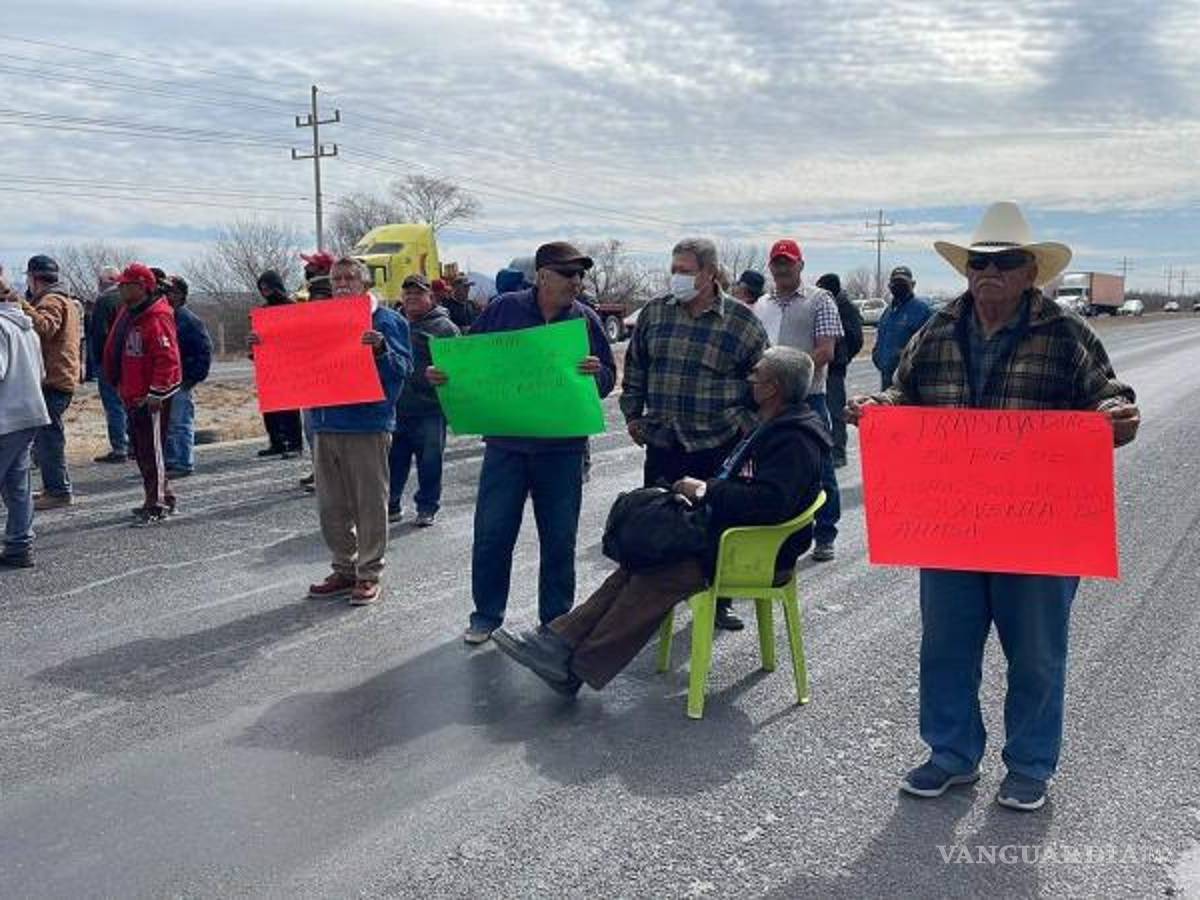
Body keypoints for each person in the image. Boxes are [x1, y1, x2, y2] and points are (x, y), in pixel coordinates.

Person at [845, 201, 1140, 812]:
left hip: (1039, 529)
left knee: (1035, 650)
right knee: (946, 645)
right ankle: (951, 755)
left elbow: (1108, 398)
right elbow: (906, 389)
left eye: (1004, 263)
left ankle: (1030, 765)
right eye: (980, 263)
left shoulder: (1065, 332)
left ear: (1030, 271)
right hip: (952, 524)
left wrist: (1116, 416)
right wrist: (882, 409)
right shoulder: (941, 327)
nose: (990, 273)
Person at [492, 347, 827, 694]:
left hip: (754, 553)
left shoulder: (794, 439)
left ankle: (574, 667)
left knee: (657, 573)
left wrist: (705, 490)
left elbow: (771, 503)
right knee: (640, 558)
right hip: (727, 534)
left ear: (773, 388)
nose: (749, 380)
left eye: (756, 374)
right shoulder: (773, 425)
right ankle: (559, 644)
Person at [427, 241, 617, 644]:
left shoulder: (585, 320)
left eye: (580, 275)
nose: (577, 282)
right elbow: (468, 360)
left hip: (563, 451)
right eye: (569, 274)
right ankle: (486, 615)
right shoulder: (504, 309)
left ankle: (554, 622)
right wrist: (446, 376)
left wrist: (594, 374)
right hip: (507, 448)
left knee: (559, 539)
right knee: (493, 534)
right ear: (542, 275)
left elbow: (606, 382)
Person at [621, 238, 768, 630]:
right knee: (657, 525)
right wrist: (633, 415)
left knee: (716, 525)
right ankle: (653, 606)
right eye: (674, 269)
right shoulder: (655, 314)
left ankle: (719, 599)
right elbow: (636, 367)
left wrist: (745, 429)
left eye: (685, 270)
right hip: (664, 440)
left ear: (709, 273)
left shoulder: (742, 322)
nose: (677, 277)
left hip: (716, 442)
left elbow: (764, 383)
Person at [252, 257, 411, 605]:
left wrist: (382, 350)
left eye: (349, 277)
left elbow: (403, 372)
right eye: (336, 278)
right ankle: (344, 568)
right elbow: (292, 359)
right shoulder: (314, 321)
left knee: (369, 505)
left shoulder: (387, 321)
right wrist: (264, 346)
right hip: (325, 424)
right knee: (331, 507)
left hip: (367, 425)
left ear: (364, 284)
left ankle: (368, 573)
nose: (341, 283)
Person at [754, 239, 842, 561]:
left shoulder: (820, 300)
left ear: (800, 266)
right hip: (768, 403)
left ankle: (825, 532)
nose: (782, 268)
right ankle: (779, 533)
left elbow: (825, 350)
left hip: (808, 399)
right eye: (777, 263)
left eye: (788, 262)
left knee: (820, 468)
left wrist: (787, 376)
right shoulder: (762, 304)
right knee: (770, 469)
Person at [102, 263, 183, 527]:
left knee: (153, 450)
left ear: (142, 286)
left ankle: (158, 503)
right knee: (143, 451)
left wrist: (156, 392)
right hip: (132, 392)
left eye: (128, 284)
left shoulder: (157, 316)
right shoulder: (129, 312)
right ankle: (160, 496)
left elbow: (167, 359)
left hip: (151, 397)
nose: (122, 288)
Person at [388, 273, 459, 526]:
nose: (412, 297)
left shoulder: (445, 329)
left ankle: (427, 507)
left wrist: (442, 374)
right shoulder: (393, 324)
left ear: (430, 296)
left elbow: (460, 371)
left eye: (418, 293)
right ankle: (391, 504)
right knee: (393, 461)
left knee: (430, 462)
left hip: (430, 410)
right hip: (397, 408)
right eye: (407, 293)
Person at [21, 255, 82, 511]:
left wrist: (20, 305)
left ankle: (58, 491)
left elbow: (45, 327)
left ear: (34, 279)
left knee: (49, 439)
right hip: (60, 378)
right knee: (47, 438)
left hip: (53, 380)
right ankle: (54, 487)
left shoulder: (52, 300)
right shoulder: (64, 299)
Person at [0, 274, 50, 567]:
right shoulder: (27, 328)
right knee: (17, 482)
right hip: (29, 414)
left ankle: (20, 542)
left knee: (16, 482)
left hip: (6, 417)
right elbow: (41, 373)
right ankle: (20, 543)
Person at [163, 276, 212, 477]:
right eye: (166, 292)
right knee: (168, 425)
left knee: (180, 423)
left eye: (172, 292)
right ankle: (172, 460)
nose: (168, 296)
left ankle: (183, 462)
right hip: (167, 381)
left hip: (182, 381)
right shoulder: (164, 317)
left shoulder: (189, 320)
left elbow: (205, 350)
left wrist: (191, 379)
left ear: (182, 296)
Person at [815, 273, 864, 468]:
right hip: (822, 367)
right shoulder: (824, 306)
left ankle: (838, 452)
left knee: (836, 410)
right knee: (820, 410)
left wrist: (842, 355)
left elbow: (857, 339)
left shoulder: (846, 308)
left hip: (835, 367)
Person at [254, 270, 304, 459]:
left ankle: (294, 444)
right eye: (262, 288)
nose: (265, 291)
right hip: (268, 363)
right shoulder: (263, 310)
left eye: (268, 287)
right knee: (270, 407)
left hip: (288, 362)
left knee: (289, 407)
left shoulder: (291, 307)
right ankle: (277, 442)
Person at [89, 265, 129, 462]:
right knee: (128, 402)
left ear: (104, 282)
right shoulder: (128, 298)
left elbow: (99, 334)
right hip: (129, 359)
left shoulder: (104, 301)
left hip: (109, 359)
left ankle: (120, 446)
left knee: (113, 404)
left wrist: (96, 360)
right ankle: (132, 445)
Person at [872, 265, 932, 390]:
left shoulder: (922, 311)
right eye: (895, 283)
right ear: (889, 286)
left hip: (911, 383)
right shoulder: (887, 312)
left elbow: (929, 348)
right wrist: (877, 356)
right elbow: (880, 339)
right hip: (886, 378)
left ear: (913, 284)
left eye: (903, 282)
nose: (898, 286)